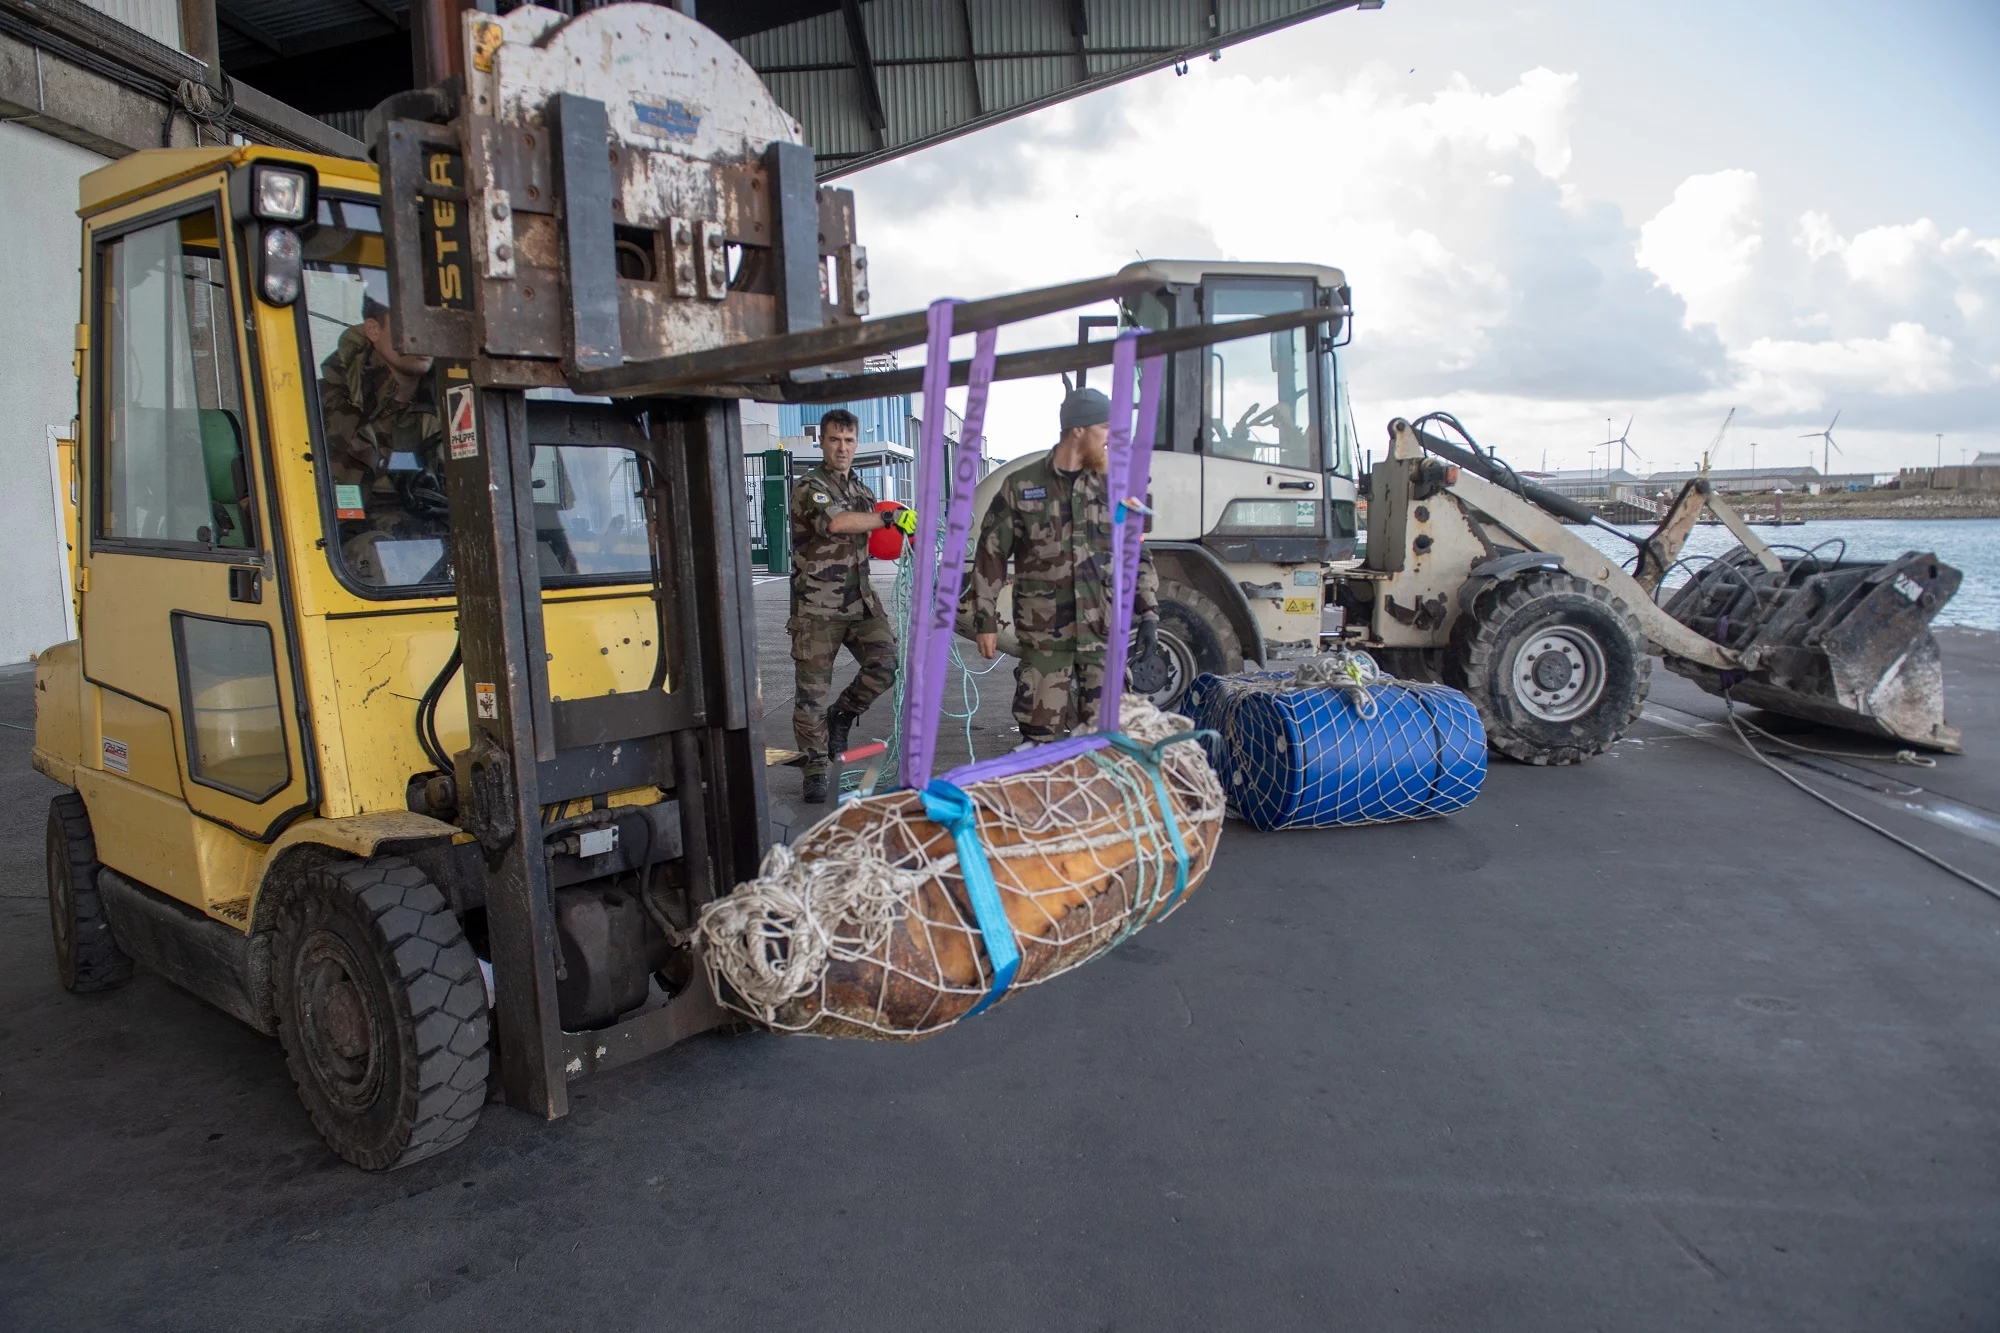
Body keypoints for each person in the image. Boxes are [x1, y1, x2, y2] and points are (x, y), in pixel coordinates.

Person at [971, 386, 1160, 744]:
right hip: (1045, 640)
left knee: (1111, 739)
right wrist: (985, 621)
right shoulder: (1021, 487)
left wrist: (1149, 612)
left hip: (1103, 637)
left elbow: (1138, 554)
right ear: (1078, 431)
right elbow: (991, 556)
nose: (1109, 440)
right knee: (1039, 738)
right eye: (1104, 429)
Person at [788, 409, 914, 803]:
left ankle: (842, 714)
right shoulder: (810, 487)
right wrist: (888, 518)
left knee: (886, 663)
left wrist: (906, 531)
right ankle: (814, 766)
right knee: (811, 694)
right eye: (834, 440)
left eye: (848, 440)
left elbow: (876, 537)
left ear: (855, 444)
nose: (842, 448)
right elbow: (839, 523)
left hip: (860, 601)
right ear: (822, 443)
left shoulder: (861, 490)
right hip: (817, 607)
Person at [318, 295, 448, 585]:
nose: (424, 340)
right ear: (373, 331)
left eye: (432, 328)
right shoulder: (327, 404)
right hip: (351, 551)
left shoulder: (454, 395)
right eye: (411, 326)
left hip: (439, 530)